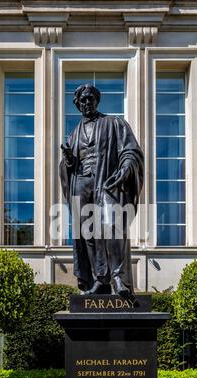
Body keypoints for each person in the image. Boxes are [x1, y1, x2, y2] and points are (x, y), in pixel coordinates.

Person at [59, 84, 144, 295]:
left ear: (97, 101)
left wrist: (125, 169)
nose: (87, 103)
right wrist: (68, 160)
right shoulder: (75, 133)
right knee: (88, 234)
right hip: (81, 183)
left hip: (105, 183)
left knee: (110, 226)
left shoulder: (114, 123)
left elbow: (131, 151)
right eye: (83, 100)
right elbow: (67, 167)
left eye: (90, 99)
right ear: (78, 105)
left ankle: (117, 278)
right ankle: (99, 279)